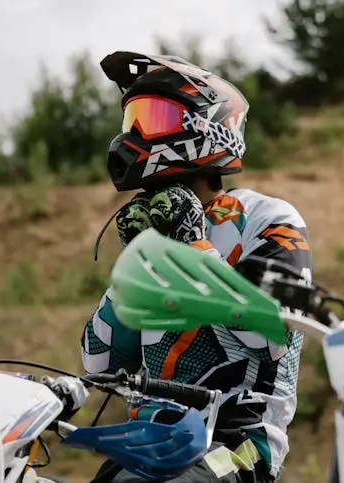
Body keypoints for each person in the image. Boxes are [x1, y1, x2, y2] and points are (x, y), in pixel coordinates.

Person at [80, 51, 314, 483]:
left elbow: (273, 334)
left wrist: (194, 246)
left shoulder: (268, 218)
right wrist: (135, 266)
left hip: (239, 446)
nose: (134, 133)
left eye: (153, 118)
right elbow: (100, 365)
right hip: (150, 442)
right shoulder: (155, 230)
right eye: (132, 119)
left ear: (208, 127)